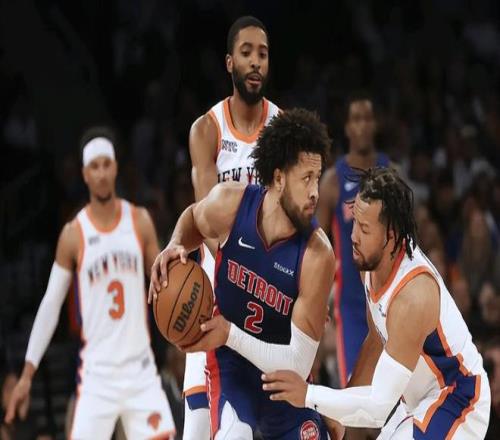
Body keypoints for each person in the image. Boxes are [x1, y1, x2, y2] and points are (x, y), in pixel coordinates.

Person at [263, 167, 491, 439]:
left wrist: (308, 395)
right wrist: (338, 413)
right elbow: (376, 338)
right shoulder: (370, 264)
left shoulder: (412, 297)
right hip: (417, 398)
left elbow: (378, 408)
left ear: (390, 236)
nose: (353, 237)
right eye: (355, 222)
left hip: (458, 398)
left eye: (364, 229)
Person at [151, 108, 336, 438]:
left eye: (317, 178)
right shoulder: (231, 204)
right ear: (278, 178)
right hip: (231, 368)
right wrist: (176, 243)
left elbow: (298, 364)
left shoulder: (317, 254)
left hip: (284, 378)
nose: (315, 192)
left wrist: (230, 334)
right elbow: (194, 218)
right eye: (306, 178)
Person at [5, 130, 176, 439]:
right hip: (98, 375)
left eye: (106, 164)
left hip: (139, 369)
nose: (101, 173)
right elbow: (51, 304)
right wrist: (27, 374)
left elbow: (167, 283)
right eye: (94, 166)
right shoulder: (73, 234)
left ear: (115, 167)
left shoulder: (139, 220)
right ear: (84, 173)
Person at [184, 15, 279, 439]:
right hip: (215, 293)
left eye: (263, 54)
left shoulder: (283, 129)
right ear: (229, 63)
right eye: (246, 53)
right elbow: (206, 221)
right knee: (198, 428)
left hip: (271, 294)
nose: (255, 62)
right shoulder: (206, 130)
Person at [316, 92, 390, 388]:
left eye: (368, 118)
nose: (363, 125)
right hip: (350, 303)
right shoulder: (333, 181)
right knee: (356, 391)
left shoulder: (391, 173)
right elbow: (315, 244)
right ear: (347, 128)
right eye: (356, 119)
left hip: (387, 299)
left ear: (376, 125)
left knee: (395, 394)